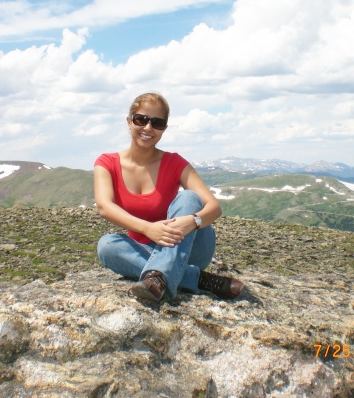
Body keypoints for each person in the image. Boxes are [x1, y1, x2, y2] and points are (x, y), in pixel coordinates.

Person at [94, 92, 244, 302]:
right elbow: (104, 207)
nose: (148, 128)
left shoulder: (174, 162)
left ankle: (161, 276)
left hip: (188, 247)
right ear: (129, 122)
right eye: (141, 119)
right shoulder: (107, 163)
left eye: (157, 123)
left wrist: (192, 221)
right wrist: (148, 229)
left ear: (164, 128)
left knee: (189, 198)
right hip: (141, 249)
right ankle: (195, 279)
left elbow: (214, 207)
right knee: (107, 246)